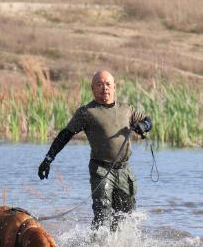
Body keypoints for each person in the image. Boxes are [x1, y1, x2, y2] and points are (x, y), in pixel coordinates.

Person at [38, 70, 152, 232]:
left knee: (126, 216)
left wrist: (143, 126)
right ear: (93, 89)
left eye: (107, 84)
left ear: (114, 87)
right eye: (99, 85)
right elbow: (65, 135)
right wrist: (48, 159)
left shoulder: (127, 110)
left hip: (125, 171)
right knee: (102, 215)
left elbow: (148, 121)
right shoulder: (86, 112)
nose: (104, 88)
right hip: (101, 170)